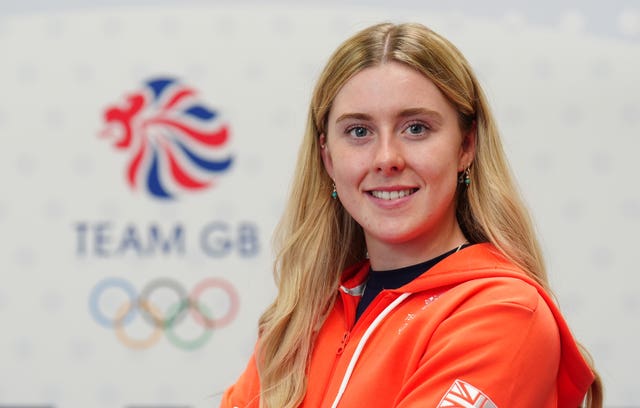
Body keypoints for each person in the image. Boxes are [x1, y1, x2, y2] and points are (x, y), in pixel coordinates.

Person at [221, 22, 602, 408]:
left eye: (416, 128)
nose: (387, 158)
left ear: (466, 146)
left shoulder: (504, 312)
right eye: (358, 132)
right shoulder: (303, 318)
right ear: (328, 157)